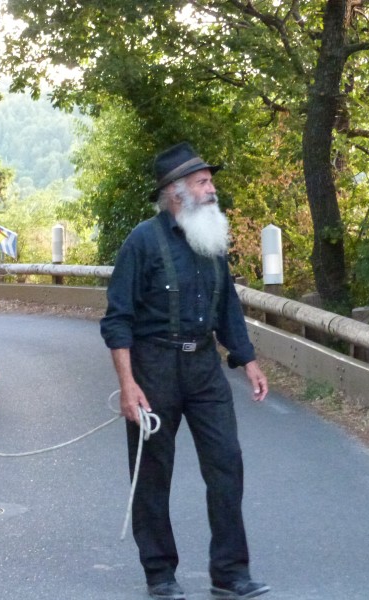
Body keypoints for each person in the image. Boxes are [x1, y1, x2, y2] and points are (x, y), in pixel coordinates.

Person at [100, 142, 270, 600]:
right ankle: (160, 574)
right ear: (176, 192)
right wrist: (127, 384)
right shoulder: (142, 241)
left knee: (227, 465)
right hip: (153, 368)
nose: (212, 189)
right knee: (153, 474)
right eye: (203, 182)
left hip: (204, 369)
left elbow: (227, 304)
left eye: (209, 180)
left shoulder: (210, 238)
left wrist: (246, 359)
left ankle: (230, 574)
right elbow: (117, 319)